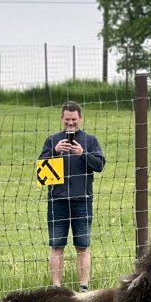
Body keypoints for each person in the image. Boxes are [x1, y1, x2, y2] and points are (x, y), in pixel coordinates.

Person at [38, 101, 105, 291]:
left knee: (82, 246)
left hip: (82, 201)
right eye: (67, 120)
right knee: (57, 245)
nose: (70, 123)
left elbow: (99, 165)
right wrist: (54, 152)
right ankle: (56, 288)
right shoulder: (52, 141)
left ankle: (84, 287)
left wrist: (82, 153)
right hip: (57, 201)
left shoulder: (90, 141)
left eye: (74, 120)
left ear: (80, 119)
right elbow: (41, 174)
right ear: (62, 119)